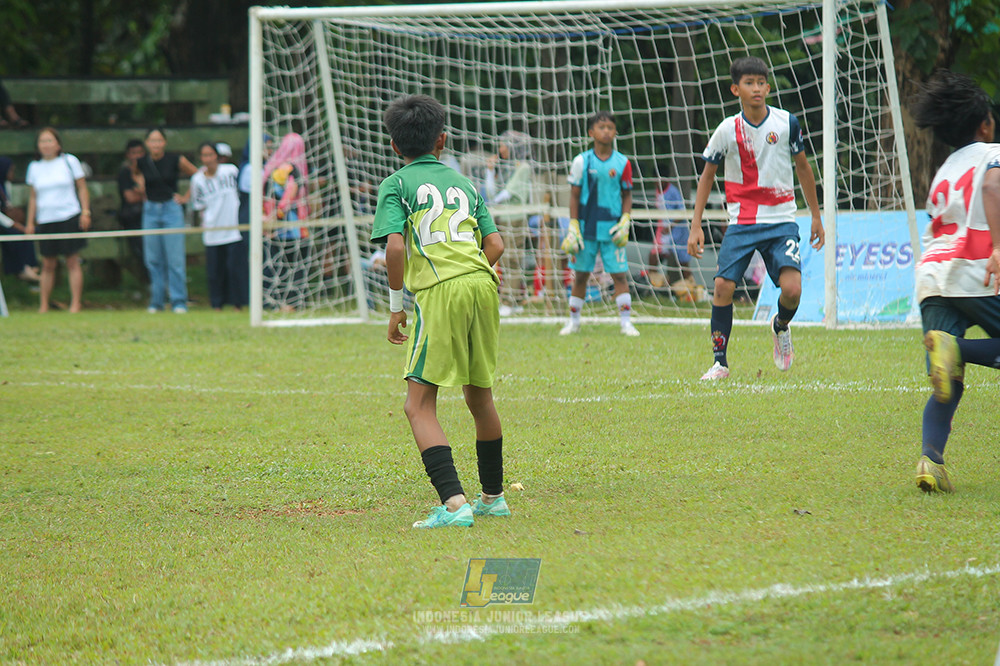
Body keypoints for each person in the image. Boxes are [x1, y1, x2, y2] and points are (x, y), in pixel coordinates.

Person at [371, 94, 507, 529]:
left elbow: (395, 247)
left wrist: (396, 309)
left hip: (442, 291)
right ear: (442, 141)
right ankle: (493, 498)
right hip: (483, 285)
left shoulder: (395, 184)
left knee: (418, 406)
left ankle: (454, 505)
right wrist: (479, 273)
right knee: (478, 394)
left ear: (395, 146)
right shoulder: (465, 183)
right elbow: (496, 245)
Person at [688, 56, 824, 380]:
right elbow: (707, 175)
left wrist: (816, 217)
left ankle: (781, 326)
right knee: (722, 285)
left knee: (792, 290)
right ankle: (719, 362)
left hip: (781, 220)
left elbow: (803, 167)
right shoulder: (726, 130)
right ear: (736, 89)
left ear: (768, 86)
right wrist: (696, 225)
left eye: (762, 83)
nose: (757, 89)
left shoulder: (786, 123)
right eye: (749, 83)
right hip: (743, 221)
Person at [910, 70, 1000, 493]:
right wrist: (998, 245)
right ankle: (956, 347)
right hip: (973, 268)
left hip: (932, 277)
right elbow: (995, 188)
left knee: (950, 382)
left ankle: (931, 461)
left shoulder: (944, 168)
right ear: (984, 123)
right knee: (956, 356)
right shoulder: (993, 153)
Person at [559, 111, 639, 336]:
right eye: (601, 127)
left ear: (615, 132)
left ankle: (626, 322)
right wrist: (573, 225)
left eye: (610, 127)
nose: (606, 131)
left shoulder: (623, 163)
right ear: (591, 132)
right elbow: (574, 196)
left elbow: (627, 195)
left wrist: (625, 219)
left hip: (612, 229)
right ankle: (574, 321)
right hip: (586, 228)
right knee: (581, 275)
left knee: (619, 275)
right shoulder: (581, 161)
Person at [24, 127, 91, 313]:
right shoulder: (34, 167)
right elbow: (33, 197)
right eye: (42, 141)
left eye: (49, 140)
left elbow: (82, 188)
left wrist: (85, 211)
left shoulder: (69, 161)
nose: (46, 145)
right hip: (46, 219)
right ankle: (43, 305)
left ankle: (75, 304)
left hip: (69, 216)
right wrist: (30, 222)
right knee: (47, 264)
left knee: (72, 260)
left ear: (58, 143)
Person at [138, 128, 198, 313]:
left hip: (171, 210)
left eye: (159, 140)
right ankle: (157, 301)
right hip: (150, 211)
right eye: (152, 140)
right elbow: (136, 179)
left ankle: (178, 301)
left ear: (164, 142)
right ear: (147, 143)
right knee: (153, 259)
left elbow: (197, 175)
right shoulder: (141, 162)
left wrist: (186, 197)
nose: (156, 144)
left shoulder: (175, 159)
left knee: (175, 259)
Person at [189, 142, 246, 311]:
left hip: (233, 229)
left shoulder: (231, 171)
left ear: (217, 156)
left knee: (234, 269)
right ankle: (217, 304)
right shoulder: (197, 180)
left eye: (211, 155)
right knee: (215, 271)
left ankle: (238, 303)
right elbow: (198, 206)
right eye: (204, 155)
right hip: (213, 231)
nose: (208, 159)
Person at [486, 130, 534, 314]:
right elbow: (492, 193)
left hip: (516, 220)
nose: (500, 149)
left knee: (513, 259)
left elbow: (505, 193)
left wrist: (489, 205)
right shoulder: (506, 167)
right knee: (505, 261)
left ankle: (510, 300)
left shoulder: (524, 167)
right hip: (503, 219)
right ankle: (514, 300)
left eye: (503, 145)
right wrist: (490, 171)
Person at [262, 132, 310, 312]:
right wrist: (277, 215)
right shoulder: (289, 169)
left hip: (276, 226)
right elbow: (288, 196)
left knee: (277, 265)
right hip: (291, 227)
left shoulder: (272, 168)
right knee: (295, 265)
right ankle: (290, 303)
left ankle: (277, 301)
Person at [647, 168, 690, 289]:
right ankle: (655, 283)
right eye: (656, 180)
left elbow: (682, 212)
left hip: (677, 231)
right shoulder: (657, 191)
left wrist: (670, 226)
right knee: (653, 256)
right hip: (663, 231)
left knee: (683, 262)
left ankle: (690, 286)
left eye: (661, 180)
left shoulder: (673, 192)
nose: (658, 182)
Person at [0, 156, 40, 282]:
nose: (12, 173)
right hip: (3, 223)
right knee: (15, 233)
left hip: (5, 221)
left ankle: (30, 266)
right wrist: (12, 224)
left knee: (26, 232)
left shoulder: (6, 185)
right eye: (10, 170)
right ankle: (21, 268)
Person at [116, 139, 147, 279]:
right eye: (133, 153)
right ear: (127, 155)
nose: (137, 156)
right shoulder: (124, 173)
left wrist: (141, 191)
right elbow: (130, 198)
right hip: (133, 219)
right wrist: (147, 193)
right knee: (141, 253)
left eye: (140, 152)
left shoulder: (150, 169)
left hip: (151, 215)